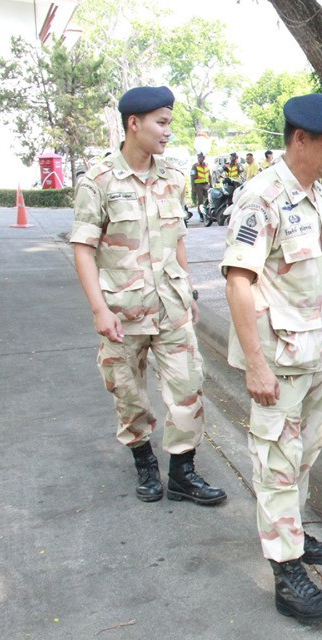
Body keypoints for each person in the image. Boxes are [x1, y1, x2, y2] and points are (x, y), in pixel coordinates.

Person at [221, 93, 322, 624]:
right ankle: (285, 573)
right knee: (277, 461)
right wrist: (254, 364)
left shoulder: (318, 195)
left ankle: (292, 534)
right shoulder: (263, 198)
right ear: (301, 138)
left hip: (317, 351)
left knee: (303, 453)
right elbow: (238, 281)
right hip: (278, 359)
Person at [71, 85, 226, 507]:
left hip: (171, 305)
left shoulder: (173, 176)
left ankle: (182, 471)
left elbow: (177, 238)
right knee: (128, 390)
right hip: (123, 310)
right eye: (161, 122)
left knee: (188, 386)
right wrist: (99, 309)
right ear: (133, 124)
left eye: (170, 123)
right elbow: (83, 248)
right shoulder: (99, 181)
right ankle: (143, 462)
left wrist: (189, 288)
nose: (167, 132)